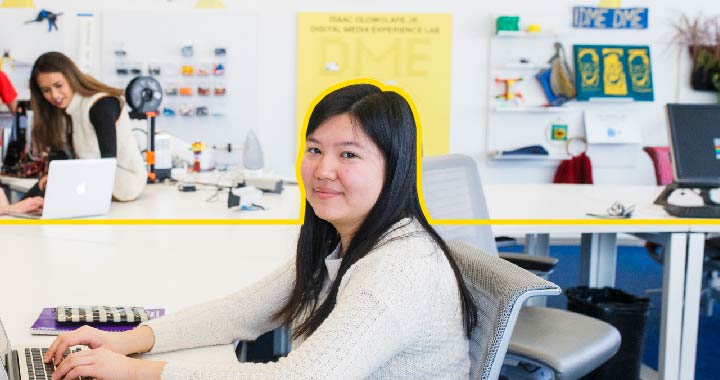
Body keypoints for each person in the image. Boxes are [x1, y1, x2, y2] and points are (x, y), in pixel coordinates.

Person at [43, 83, 477, 379]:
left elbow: (302, 377)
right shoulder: (343, 241)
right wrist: (123, 341)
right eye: (314, 150)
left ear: (394, 167)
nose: (323, 170)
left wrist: (139, 371)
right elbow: (243, 311)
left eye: (348, 154)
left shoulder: (398, 270)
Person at [28, 51, 146, 201]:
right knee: (30, 199)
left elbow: (107, 163)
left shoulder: (100, 104)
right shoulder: (69, 110)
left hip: (122, 187)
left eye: (58, 85)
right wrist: (55, 176)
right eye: (46, 90)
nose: (55, 95)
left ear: (71, 78)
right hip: (92, 184)